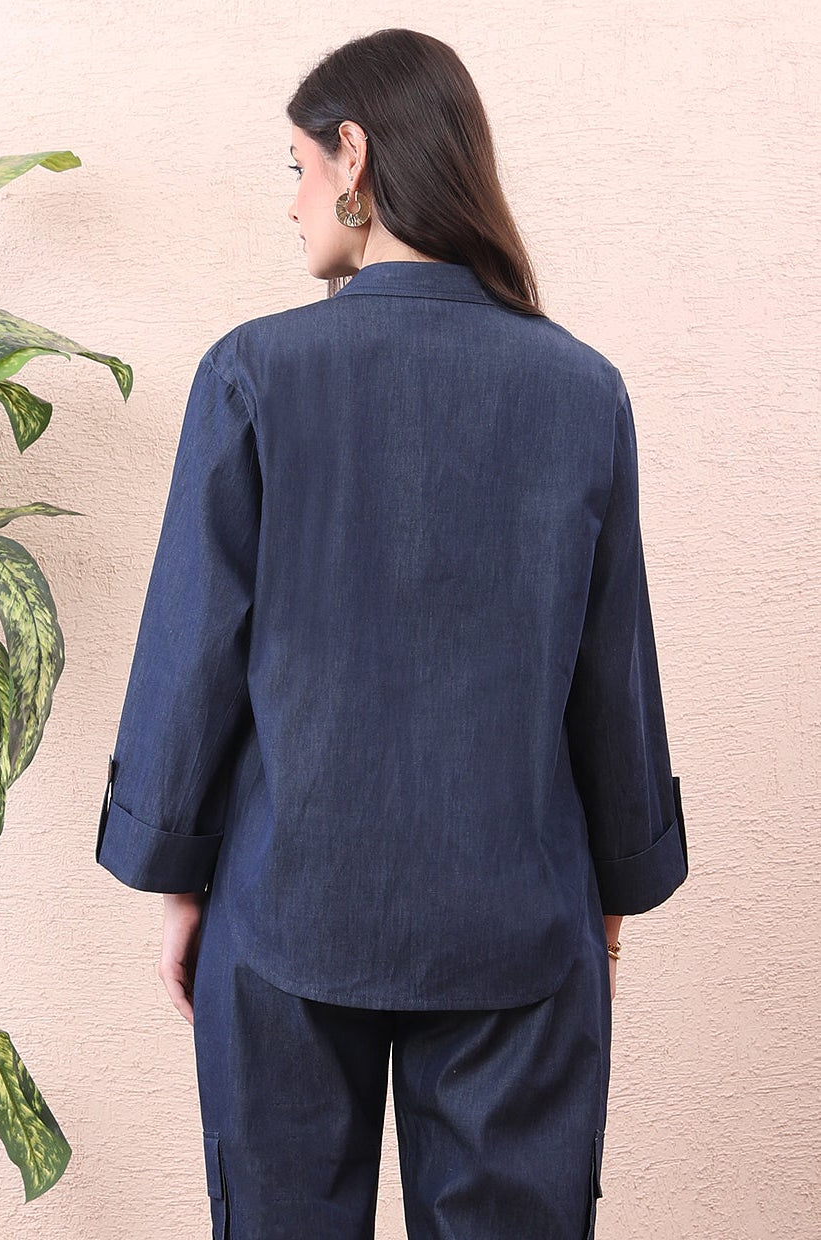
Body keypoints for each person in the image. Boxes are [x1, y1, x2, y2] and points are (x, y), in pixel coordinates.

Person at [95, 26, 688, 1240]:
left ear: (352, 154)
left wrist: (175, 873)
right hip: (518, 919)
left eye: (297, 168)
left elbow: (193, 652)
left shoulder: (254, 373)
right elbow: (608, 669)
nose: (294, 200)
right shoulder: (582, 390)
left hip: (285, 910)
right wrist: (615, 885)